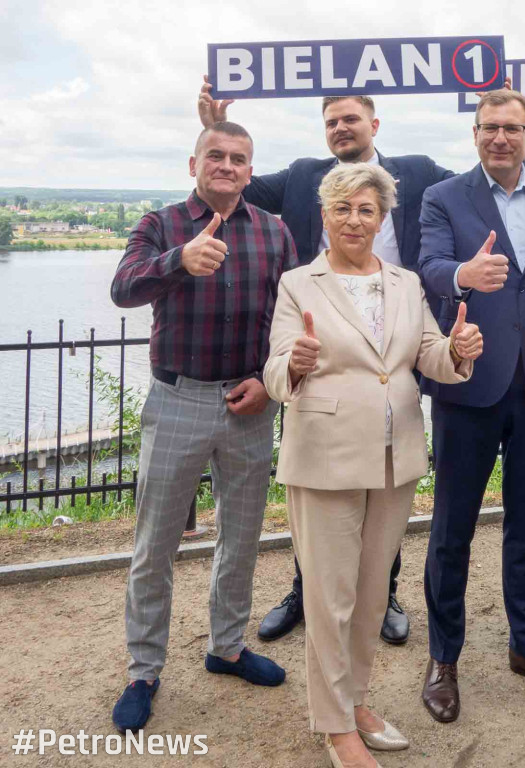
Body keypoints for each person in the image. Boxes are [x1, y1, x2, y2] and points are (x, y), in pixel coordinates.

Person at [199, 79, 525, 645]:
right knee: (319, 489)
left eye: (351, 119)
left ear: (374, 125)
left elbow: (489, 180)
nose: (341, 128)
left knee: (387, 484)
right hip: (322, 354)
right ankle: (304, 588)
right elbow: (229, 185)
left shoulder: (415, 172)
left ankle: (382, 594)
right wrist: (209, 131)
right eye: (332, 121)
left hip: (398, 348)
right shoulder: (299, 176)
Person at [264, 162, 481, 768]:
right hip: (326, 457)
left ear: (382, 218)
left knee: (369, 597)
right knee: (329, 597)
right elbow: (276, 372)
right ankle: (335, 726)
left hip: (395, 457)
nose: (355, 220)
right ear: (325, 216)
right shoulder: (297, 284)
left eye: (367, 210)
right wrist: (298, 362)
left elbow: (426, 356)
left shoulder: (406, 282)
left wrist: (457, 351)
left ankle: (355, 701)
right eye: (342, 209)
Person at [109, 121, 297, 732]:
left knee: (240, 540)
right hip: (179, 400)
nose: (227, 165)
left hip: (249, 401)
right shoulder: (162, 225)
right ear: (194, 162)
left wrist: (268, 383)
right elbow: (123, 289)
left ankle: (227, 646)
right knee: (156, 544)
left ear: (250, 169)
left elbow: (291, 318)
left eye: (239, 158)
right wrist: (179, 262)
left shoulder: (273, 231)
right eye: (216, 155)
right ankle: (143, 668)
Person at [418, 89, 525, 723]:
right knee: (452, 529)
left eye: (512, 128)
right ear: (476, 134)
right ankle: (444, 657)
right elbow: (428, 266)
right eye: (489, 127)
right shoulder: (444, 198)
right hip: (469, 382)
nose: (500, 138)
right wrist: (464, 274)